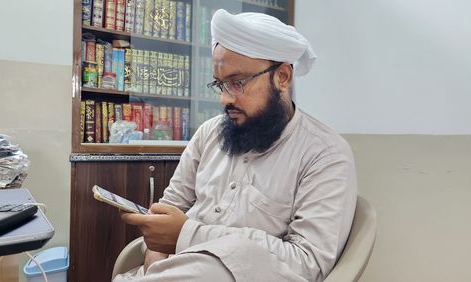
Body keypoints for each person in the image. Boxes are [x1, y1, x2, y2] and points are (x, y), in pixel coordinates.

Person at [114, 9, 357, 282]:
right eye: (221, 85)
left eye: (237, 83)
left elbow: (307, 264)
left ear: (283, 77)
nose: (224, 99)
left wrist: (187, 235)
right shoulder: (210, 134)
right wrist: (155, 270)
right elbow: (165, 215)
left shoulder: (325, 155)